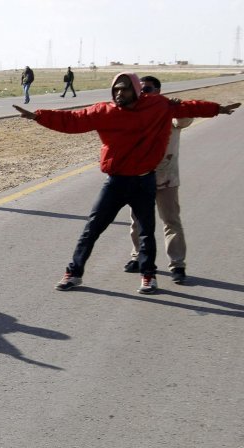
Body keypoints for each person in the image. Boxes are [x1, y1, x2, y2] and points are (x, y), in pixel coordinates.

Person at [13, 72, 239, 294]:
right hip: (116, 182)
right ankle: (74, 273)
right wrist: (38, 116)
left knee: (146, 232)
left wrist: (217, 109)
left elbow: (189, 107)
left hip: (144, 181)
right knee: (92, 229)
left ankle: (148, 276)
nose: (119, 92)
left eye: (124, 88)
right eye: (116, 89)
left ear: (136, 90)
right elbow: (74, 120)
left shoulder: (157, 106)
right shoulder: (104, 111)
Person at [124, 75, 192, 283]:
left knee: (171, 221)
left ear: (159, 91)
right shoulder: (133, 112)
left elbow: (184, 120)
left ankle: (177, 265)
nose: (144, 93)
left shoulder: (169, 112)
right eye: (141, 90)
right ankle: (137, 256)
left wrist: (177, 107)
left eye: (149, 89)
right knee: (137, 222)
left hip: (166, 177)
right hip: (138, 177)